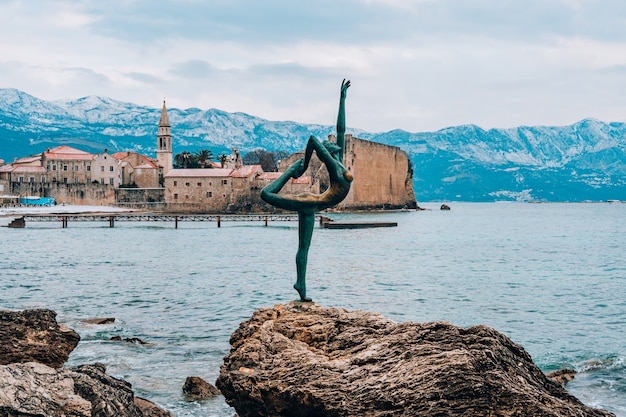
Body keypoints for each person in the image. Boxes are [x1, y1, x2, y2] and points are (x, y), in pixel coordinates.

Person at [261, 79, 352, 302]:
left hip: (312, 204)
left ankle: (300, 283)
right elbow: (312, 140)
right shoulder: (332, 164)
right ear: (327, 151)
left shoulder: (337, 159)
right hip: (309, 203)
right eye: (332, 146)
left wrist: (342, 100)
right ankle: (290, 171)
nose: (337, 144)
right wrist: (301, 166)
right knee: (265, 195)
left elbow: (341, 130)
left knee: (304, 247)